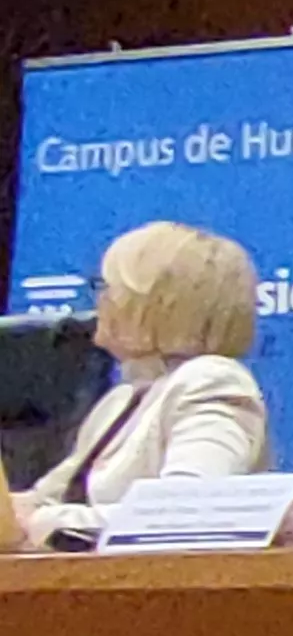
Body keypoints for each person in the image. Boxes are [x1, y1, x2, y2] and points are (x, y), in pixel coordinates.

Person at [8, 221, 272, 551]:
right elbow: (41, 500)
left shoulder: (211, 381)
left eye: (105, 287)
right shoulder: (121, 400)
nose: (97, 301)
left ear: (158, 305)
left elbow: (185, 513)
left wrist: (45, 524)